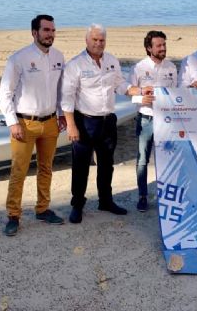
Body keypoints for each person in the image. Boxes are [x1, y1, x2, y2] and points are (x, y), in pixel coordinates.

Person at [62, 24, 146, 224]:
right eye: (95, 40)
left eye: (102, 40)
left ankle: (105, 201)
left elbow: (120, 84)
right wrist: (71, 125)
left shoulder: (111, 61)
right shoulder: (75, 65)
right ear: (87, 40)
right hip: (85, 121)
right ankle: (77, 204)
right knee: (81, 166)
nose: (99, 43)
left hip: (108, 121)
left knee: (107, 165)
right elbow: (67, 97)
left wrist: (139, 91)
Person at [0, 14, 67, 236]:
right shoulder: (18, 59)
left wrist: (62, 115)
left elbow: (60, 90)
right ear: (34, 32)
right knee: (19, 170)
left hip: (50, 122)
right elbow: (5, 93)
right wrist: (12, 123)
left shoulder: (58, 57)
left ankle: (43, 209)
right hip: (25, 123)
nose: (50, 34)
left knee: (46, 168)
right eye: (46, 30)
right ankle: (13, 215)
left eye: (53, 30)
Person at [129, 30, 177, 212]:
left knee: (167, 158)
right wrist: (142, 98)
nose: (163, 48)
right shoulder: (139, 68)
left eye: (164, 44)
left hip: (167, 120)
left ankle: (166, 196)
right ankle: (142, 196)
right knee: (143, 159)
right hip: (146, 119)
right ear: (149, 48)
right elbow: (130, 93)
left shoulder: (171, 67)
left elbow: (176, 93)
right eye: (159, 45)